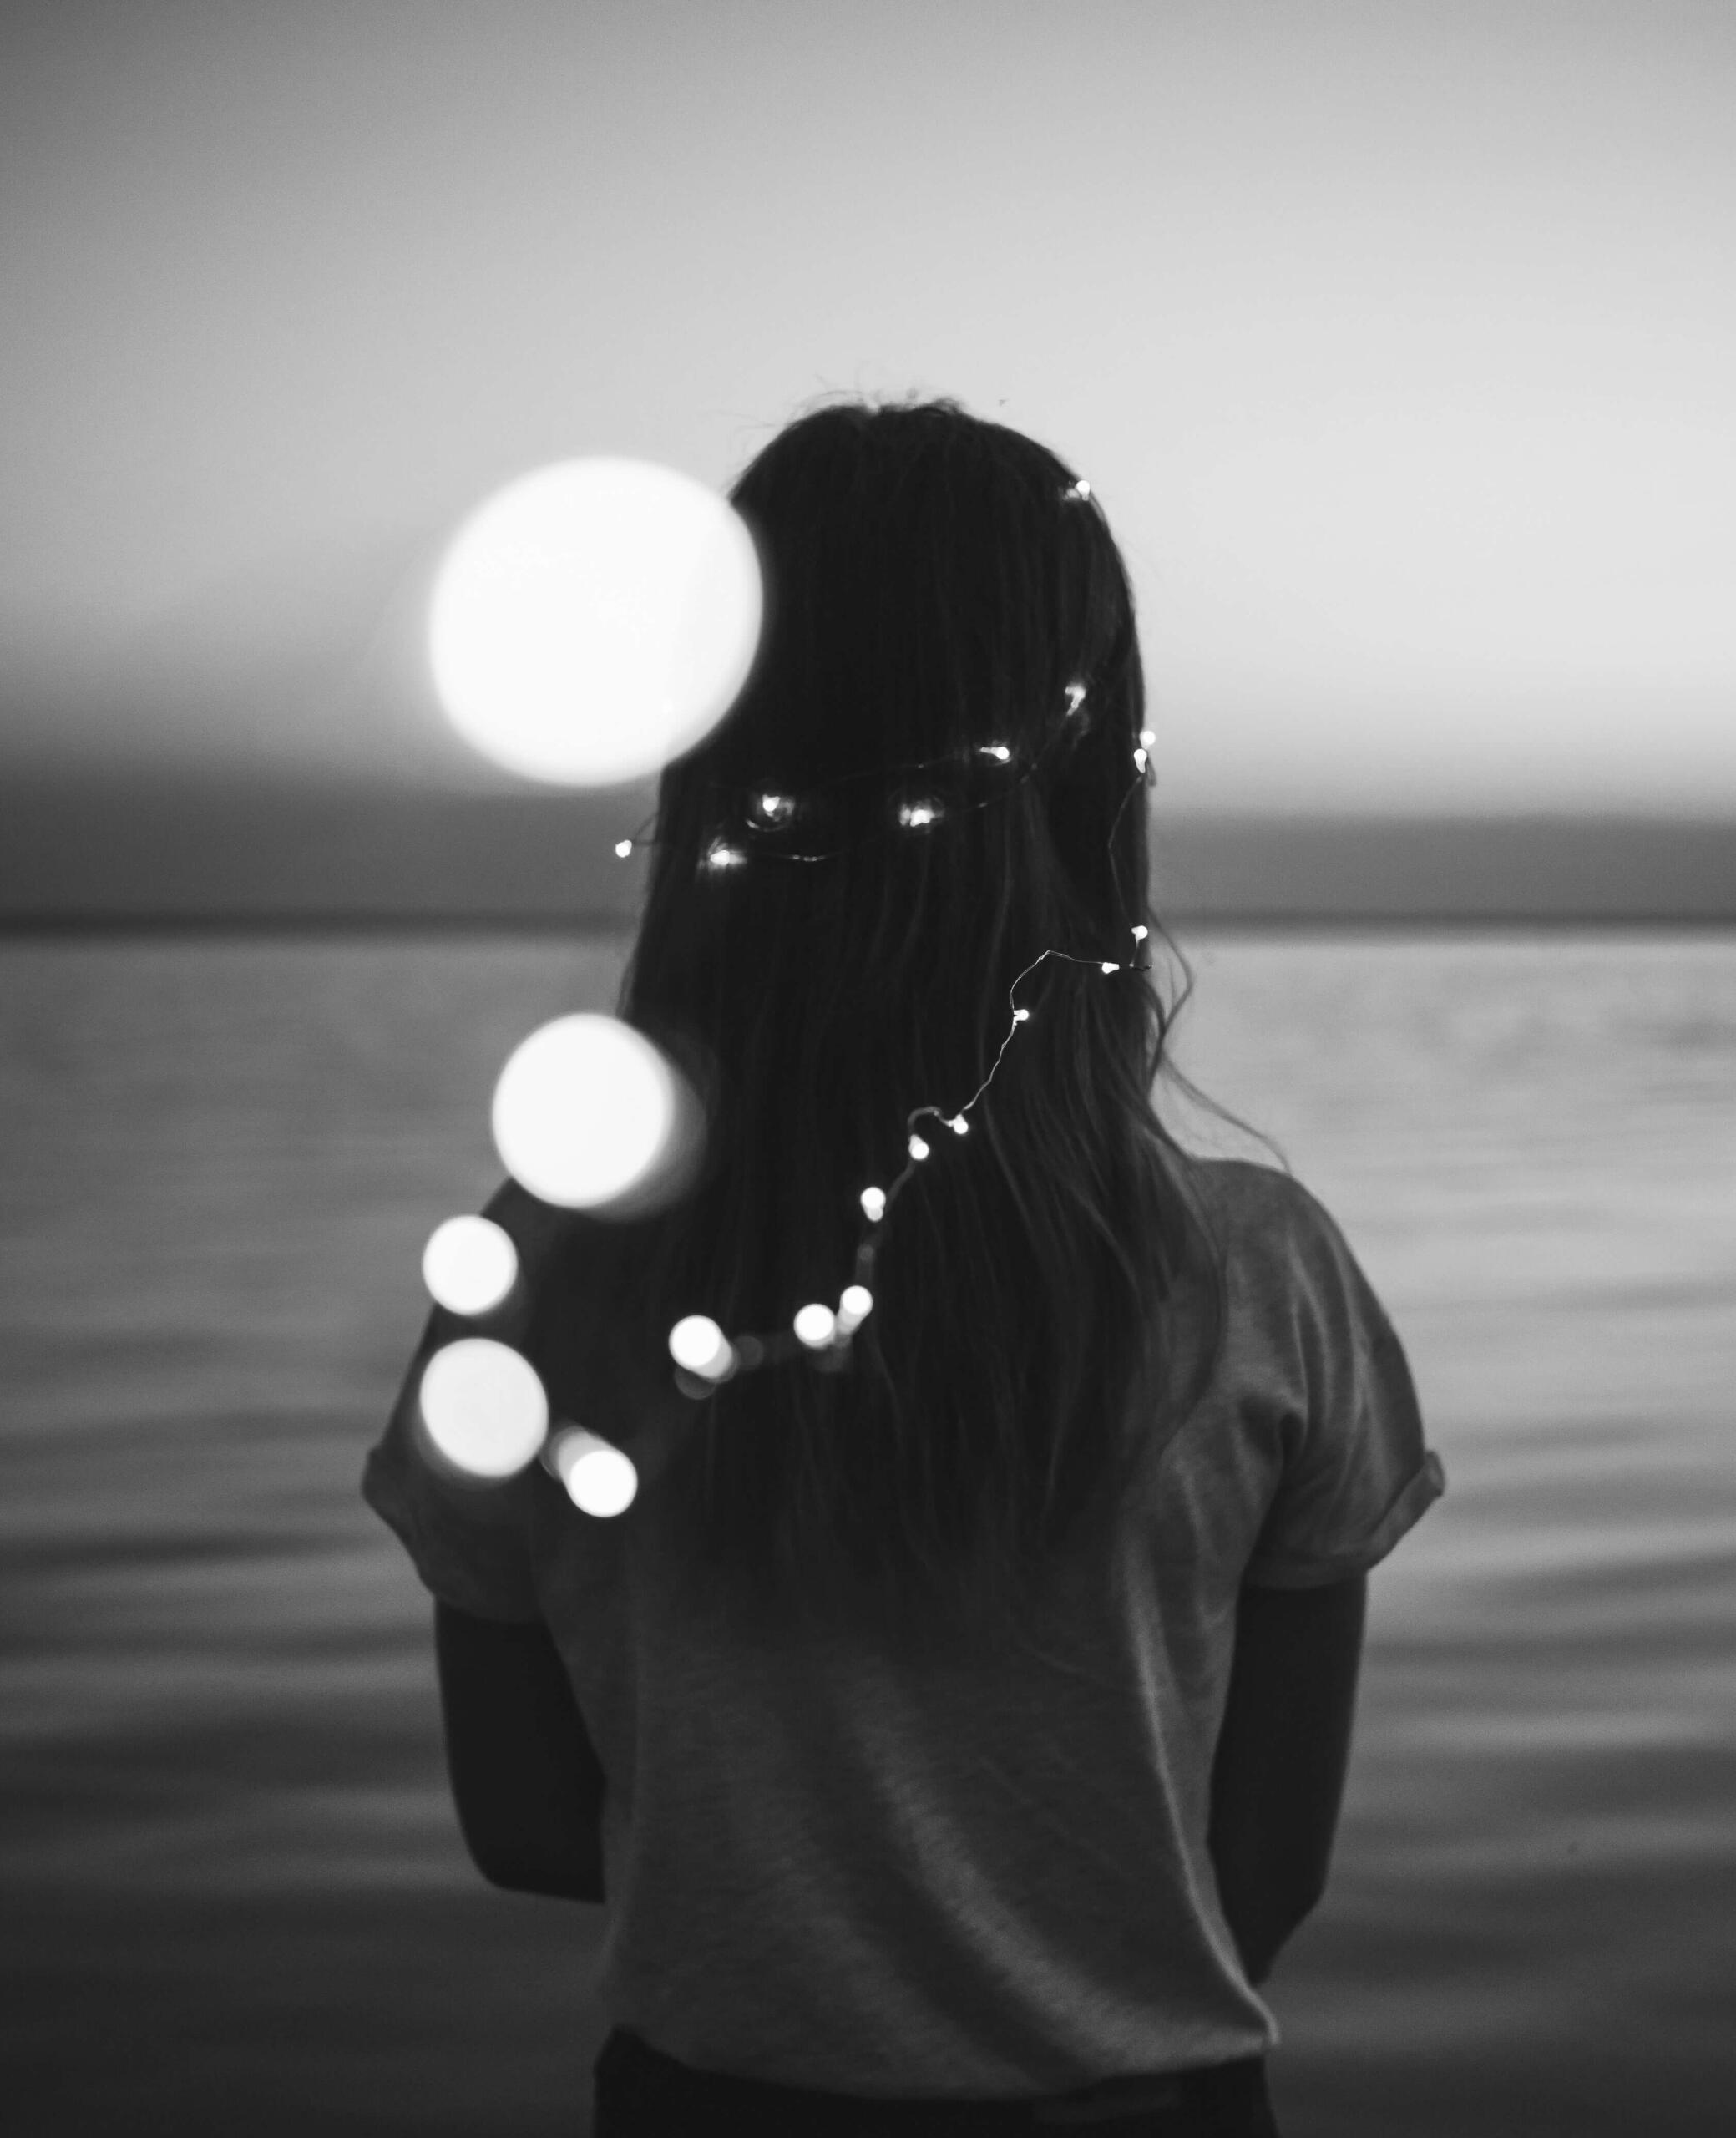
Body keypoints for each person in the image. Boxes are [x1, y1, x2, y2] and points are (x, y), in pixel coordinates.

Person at [363, 395, 1445, 2136]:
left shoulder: (534, 1273)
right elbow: (1262, 1864)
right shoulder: (1262, 1280)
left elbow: (521, 1821)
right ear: (1096, 773)